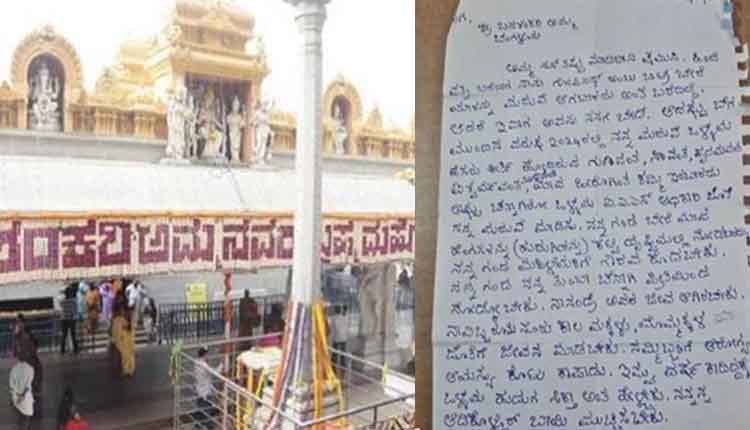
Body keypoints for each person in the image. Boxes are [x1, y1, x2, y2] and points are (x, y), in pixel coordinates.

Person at [193, 346, 223, 429]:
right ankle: (208, 427)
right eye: (208, 354)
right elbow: (215, 372)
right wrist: (222, 363)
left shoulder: (196, 362)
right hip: (205, 392)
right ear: (205, 355)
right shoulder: (203, 365)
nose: (209, 356)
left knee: (201, 409)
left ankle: (198, 426)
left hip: (200, 390)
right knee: (206, 410)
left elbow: (208, 376)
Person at [110, 304, 135, 377]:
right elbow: (114, 330)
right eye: (120, 310)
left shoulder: (125, 318)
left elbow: (128, 327)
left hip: (126, 339)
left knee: (127, 355)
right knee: (124, 355)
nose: (122, 311)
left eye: (122, 310)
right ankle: (126, 370)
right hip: (120, 339)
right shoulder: (117, 319)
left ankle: (129, 370)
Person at [9, 356, 34, 430]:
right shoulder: (30, 369)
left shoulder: (14, 369)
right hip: (26, 400)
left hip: (16, 399)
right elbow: (28, 386)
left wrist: (17, 396)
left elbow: (11, 386)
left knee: (20, 420)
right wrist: (22, 396)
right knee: (26, 420)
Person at [60, 284, 79, 355]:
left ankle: (62, 350)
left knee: (64, 335)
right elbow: (74, 311)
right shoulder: (73, 301)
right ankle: (75, 350)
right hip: (71, 319)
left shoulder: (62, 301)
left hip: (63, 319)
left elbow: (60, 305)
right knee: (73, 335)